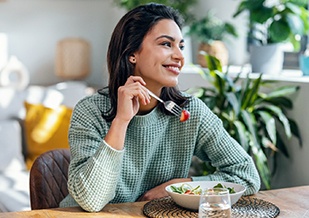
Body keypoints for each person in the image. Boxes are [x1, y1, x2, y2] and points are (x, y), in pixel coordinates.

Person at [59, 3, 260, 212]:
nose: (180, 57)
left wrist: (181, 186)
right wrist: (121, 121)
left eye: (181, 46)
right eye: (166, 44)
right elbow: (91, 200)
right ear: (132, 53)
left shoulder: (189, 112)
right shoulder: (90, 111)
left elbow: (246, 175)